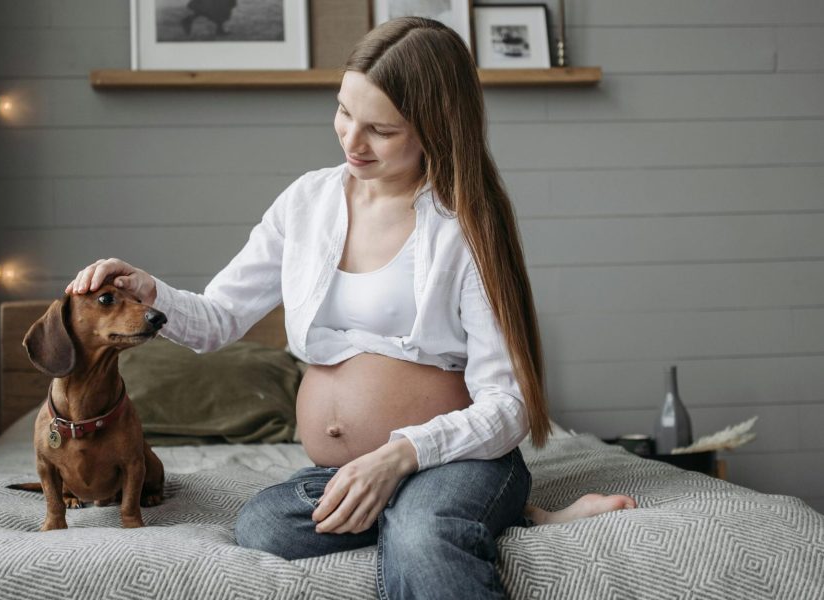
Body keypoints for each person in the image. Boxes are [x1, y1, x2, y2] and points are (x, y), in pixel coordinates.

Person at [68, 17, 637, 600]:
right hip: (345, 468)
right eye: (343, 112)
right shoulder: (307, 202)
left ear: (435, 128)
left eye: (381, 130)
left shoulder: (464, 228)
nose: (351, 142)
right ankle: (514, 516)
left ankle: (468, 505)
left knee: (421, 537)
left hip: (456, 457)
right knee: (264, 525)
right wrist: (149, 291)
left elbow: (509, 405)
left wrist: (399, 456)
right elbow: (218, 319)